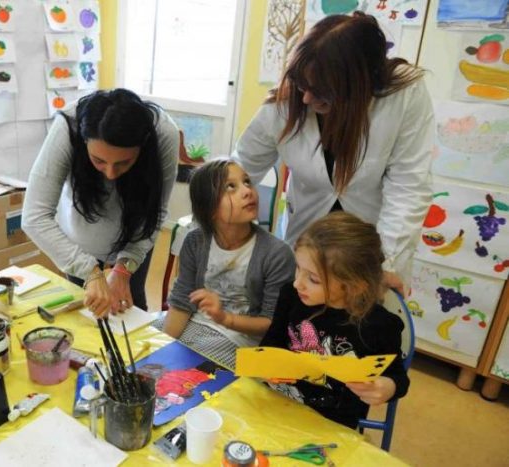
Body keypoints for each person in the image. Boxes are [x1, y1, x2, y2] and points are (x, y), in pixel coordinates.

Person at [233, 12, 434, 293]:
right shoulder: (286, 101)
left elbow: (409, 185)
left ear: (359, 86)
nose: (306, 99)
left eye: (321, 92)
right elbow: (240, 168)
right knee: (298, 325)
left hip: (369, 247)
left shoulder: (403, 97)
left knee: (354, 330)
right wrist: (216, 220)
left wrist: (387, 264)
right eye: (303, 85)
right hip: (305, 240)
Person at [23, 88, 179, 316]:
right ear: (85, 140)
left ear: (142, 146)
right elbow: (34, 217)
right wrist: (90, 272)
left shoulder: (163, 134)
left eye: (124, 163)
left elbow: (155, 212)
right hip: (80, 240)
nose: (110, 174)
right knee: (85, 313)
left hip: (135, 235)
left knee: (130, 309)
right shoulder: (69, 126)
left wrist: (125, 269)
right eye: (98, 160)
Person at [260, 212, 410, 429]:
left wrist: (386, 387)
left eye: (313, 279)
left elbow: (398, 378)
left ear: (355, 285)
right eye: (297, 268)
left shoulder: (378, 326)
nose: (297, 283)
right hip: (277, 404)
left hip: (331, 425)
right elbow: (271, 344)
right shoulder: (291, 296)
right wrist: (267, 365)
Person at [160, 158, 295, 370]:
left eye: (247, 182)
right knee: (148, 343)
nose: (247, 191)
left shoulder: (276, 254)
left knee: (192, 376)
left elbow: (271, 324)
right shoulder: (195, 241)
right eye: (231, 187)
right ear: (209, 207)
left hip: (239, 341)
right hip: (195, 324)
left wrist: (225, 318)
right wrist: (161, 349)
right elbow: (182, 301)